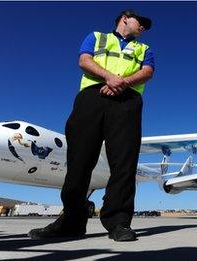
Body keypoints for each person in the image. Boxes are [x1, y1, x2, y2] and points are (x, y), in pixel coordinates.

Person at [28, 10, 155, 242]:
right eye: (141, 22)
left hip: (127, 101)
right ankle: (71, 221)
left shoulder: (144, 49)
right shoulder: (96, 37)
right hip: (92, 98)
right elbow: (84, 60)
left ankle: (118, 222)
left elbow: (147, 72)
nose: (143, 28)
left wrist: (122, 82)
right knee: (79, 160)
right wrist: (109, 78)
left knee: (124, 162)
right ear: (125, 18)